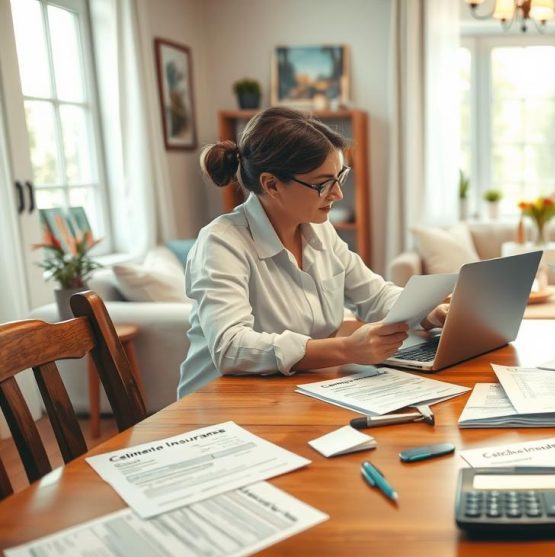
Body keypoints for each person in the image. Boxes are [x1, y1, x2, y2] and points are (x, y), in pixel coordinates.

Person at [177, 107, 447, 398]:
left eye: (339, 176)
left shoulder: (319, 229)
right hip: (219, 406)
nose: (338, 194)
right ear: (272, 184)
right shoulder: (221, 243)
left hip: (292, 394)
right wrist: (346, 349)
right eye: (322, 184)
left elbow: (375, 295)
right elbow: (230, 347)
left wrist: (430, 312)